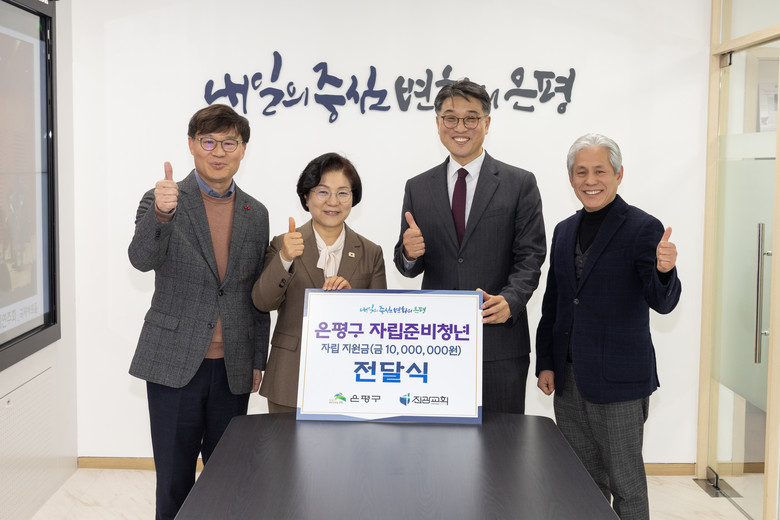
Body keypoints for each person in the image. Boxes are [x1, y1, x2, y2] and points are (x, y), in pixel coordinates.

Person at [127, 104, 270, 520]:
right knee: (174, 480)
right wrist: (162, 215)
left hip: (232, 367)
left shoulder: (256, 213)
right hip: (173, 363)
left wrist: (257, 358)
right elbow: (141, 258)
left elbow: (255, 294)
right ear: (191, 145)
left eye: (229, 143)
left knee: (228, 479)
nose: (219, 152)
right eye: (208, 142)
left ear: (243, 149)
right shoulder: (163, 200)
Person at [535, 133, 681, 520]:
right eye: (581, 172)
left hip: (620, 384)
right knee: (581, 482)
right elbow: (554, 302)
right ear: (571, 179)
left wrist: (665, 271)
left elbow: (662, 302)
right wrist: (546, 362)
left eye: (599, 171)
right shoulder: (564, 230)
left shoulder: (643, 228)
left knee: (626, 485)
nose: (590, 180)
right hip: (568, 380)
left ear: (618, 175)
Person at [394, 79, 546, 414]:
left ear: (487, 123)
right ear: (438, 124)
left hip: (499, 343)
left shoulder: (519, 183)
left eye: (471, 118)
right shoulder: (418, 187)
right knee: (437, 439)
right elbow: (407, 263)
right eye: (450, 118)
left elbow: (531, 255)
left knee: (503, 441)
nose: (460, 127)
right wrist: (409, 253)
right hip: (435, 345)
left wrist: (511, 300)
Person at [252, 152, 386, 413]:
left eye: (342, 193)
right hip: (290, 377)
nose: (333, 202)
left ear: (353, 198)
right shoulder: (283, 243)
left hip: (352, 379)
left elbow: (380, 323)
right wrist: (285, 259)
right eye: (322, 192)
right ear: (306, 197)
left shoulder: (371, 252)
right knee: (285, 442)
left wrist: (353, 301)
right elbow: (262, 301)